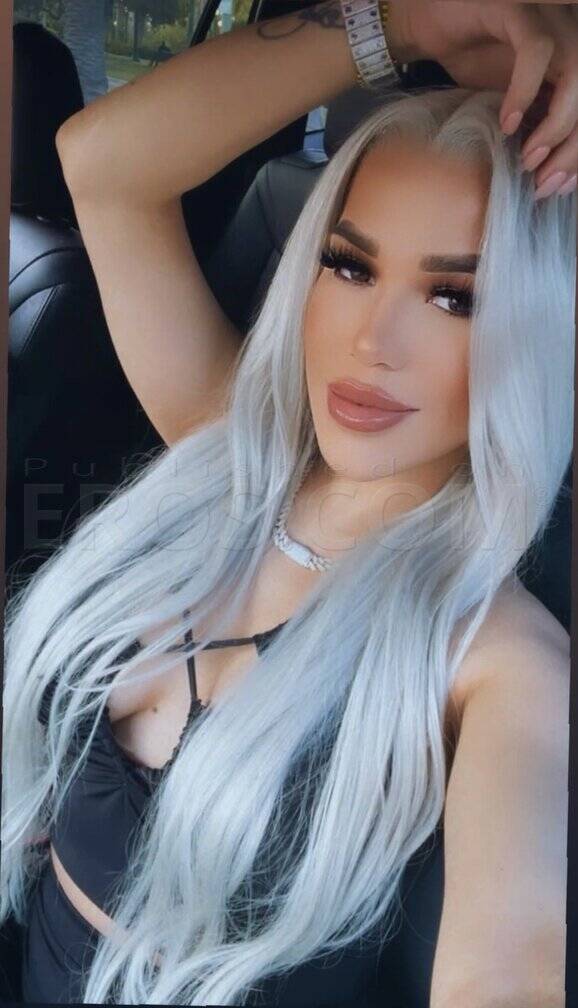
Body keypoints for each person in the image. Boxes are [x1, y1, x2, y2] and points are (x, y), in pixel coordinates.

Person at [1, 0, 576, 1004]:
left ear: (536, 328)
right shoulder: (223, 451)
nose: (371, 342)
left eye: (454, 298)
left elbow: (505, 967)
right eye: (349, 266)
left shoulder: (495, 662)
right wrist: (408, 20)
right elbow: (104, 163)